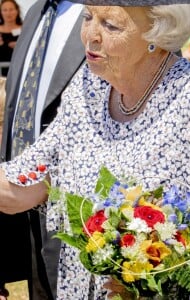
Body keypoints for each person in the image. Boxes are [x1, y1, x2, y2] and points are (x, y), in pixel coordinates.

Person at [0, 0, 190, 299]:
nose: (90, 34)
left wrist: (161, 262)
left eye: (111, 25)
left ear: (157, 32)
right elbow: (25, 185)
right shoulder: (86, 90)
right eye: (88, 17)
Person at [0, 0, 85, 299]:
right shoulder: (37, 11)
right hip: (20, 201)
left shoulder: (110, 10)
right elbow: (17, 105)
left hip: (80, 210)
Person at [0, 0, 22, 76]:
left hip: (18, 72)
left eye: (11, 9)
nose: (8, 13)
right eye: (5, 10)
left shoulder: (25, 29)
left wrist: (21, 45)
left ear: (17, 11)